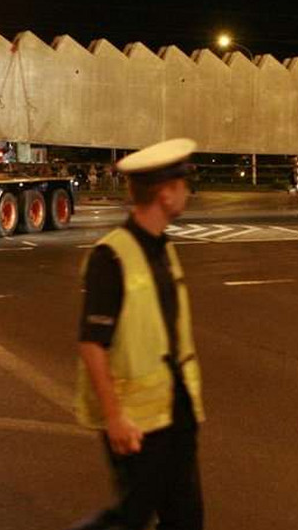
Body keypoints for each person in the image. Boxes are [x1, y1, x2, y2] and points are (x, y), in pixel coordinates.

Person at [70, 138, 205, 530]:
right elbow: (92, 343)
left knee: (185, 520)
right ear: (165, 193)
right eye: (183, 184)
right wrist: (115, 417)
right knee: (130, 518)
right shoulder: (110, 257)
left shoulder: (163, 247)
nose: (187, 192)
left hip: (176, 411)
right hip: (137, 423)